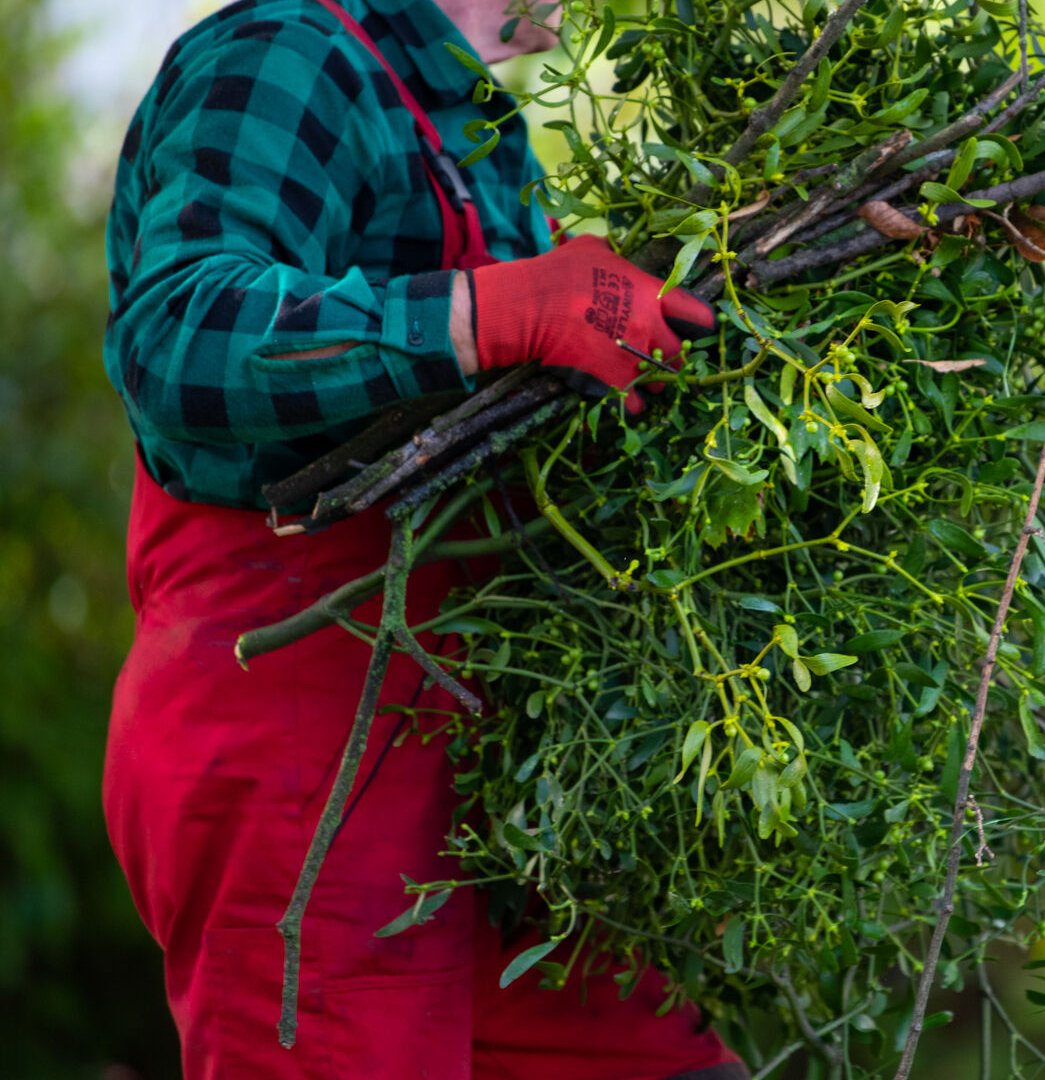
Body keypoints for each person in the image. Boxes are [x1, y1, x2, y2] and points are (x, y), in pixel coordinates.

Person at [99, 1, 737, 1076]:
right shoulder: (285, 55)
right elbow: (182, 334)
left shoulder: (467, 128)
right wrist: (487, 313)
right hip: (299, 762)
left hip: (474, 776)